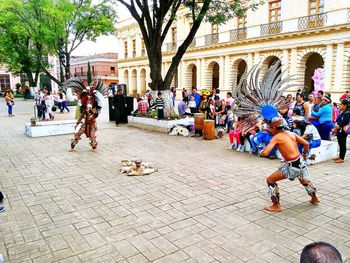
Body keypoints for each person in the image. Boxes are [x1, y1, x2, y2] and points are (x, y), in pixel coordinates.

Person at [260, 117, 320, 212]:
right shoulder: (292, 133)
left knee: (270, 180)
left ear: (275, 128)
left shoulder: (276, 137)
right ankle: (315, 198)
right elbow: (306, 144)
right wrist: (304, 154)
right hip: (301, 162)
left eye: (270, 128)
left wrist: (261, 152)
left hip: (293, 165)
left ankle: (276, 206)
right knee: (304, 181)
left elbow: (265, 153)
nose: (269, 130)